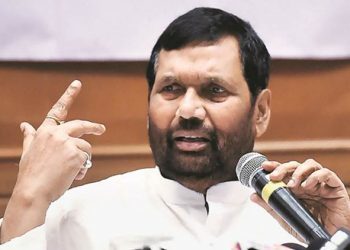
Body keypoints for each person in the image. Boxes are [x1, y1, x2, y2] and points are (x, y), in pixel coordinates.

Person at [1, 7, 350, 250]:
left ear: (260, 111)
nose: (187, 110)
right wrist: (30, 194)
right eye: (171, 89)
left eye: (215, 91)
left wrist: (338, 236)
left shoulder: (303, 222)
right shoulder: (81, 213)